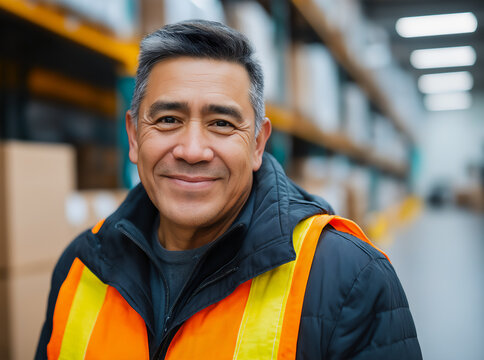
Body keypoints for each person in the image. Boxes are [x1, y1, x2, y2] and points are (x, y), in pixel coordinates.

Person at [36, 20, 421, 359]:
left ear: (257, 144)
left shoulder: (350, 278)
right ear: (134, 136)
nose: (192, 151)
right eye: (168, 119)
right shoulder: (80, 267)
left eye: (221, 123)